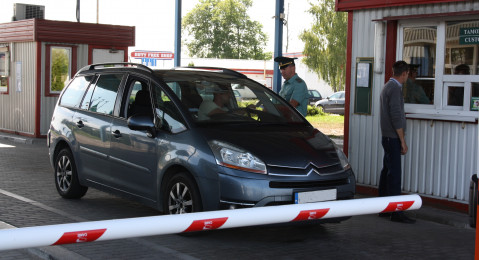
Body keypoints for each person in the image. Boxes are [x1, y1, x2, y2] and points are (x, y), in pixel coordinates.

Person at [379, 60, 415, 224]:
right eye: (408, 73)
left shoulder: (388, 86)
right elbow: (395, 116)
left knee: (387, 171)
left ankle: (384, 208)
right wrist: (402, 140)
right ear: (405, 73)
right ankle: (396, 211)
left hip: (387, 136)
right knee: (394, 174)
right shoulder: (394, 89)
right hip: (392, 137)